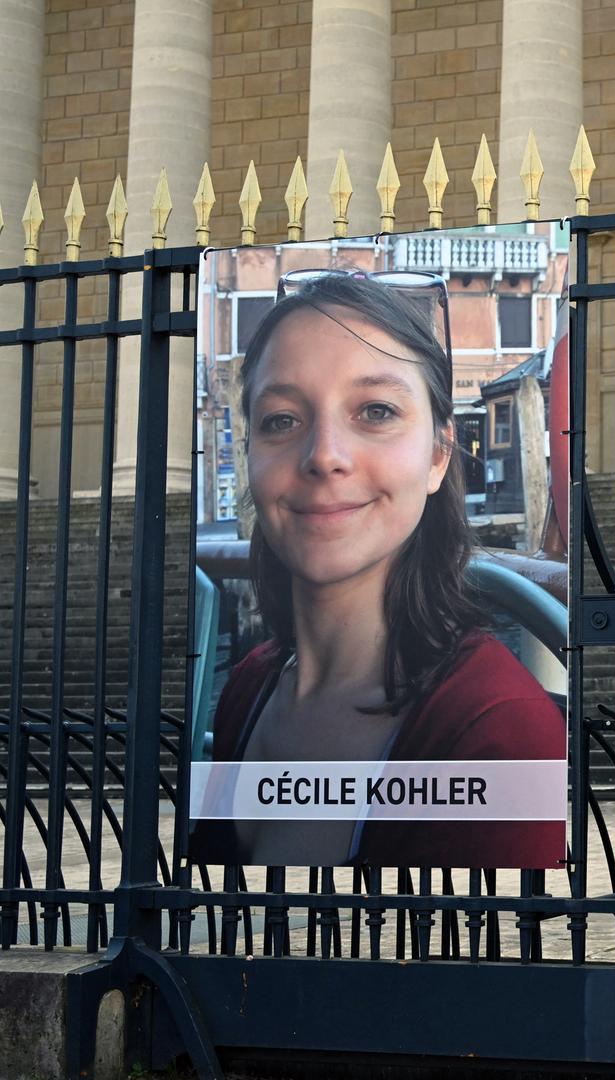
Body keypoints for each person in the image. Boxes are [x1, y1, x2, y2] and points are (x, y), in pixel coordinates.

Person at [190, 271, 565, 869]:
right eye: (282, 419)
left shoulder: (502, 729)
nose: (324, 456)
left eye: (375, 410)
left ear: (439, 455)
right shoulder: (247, 686)